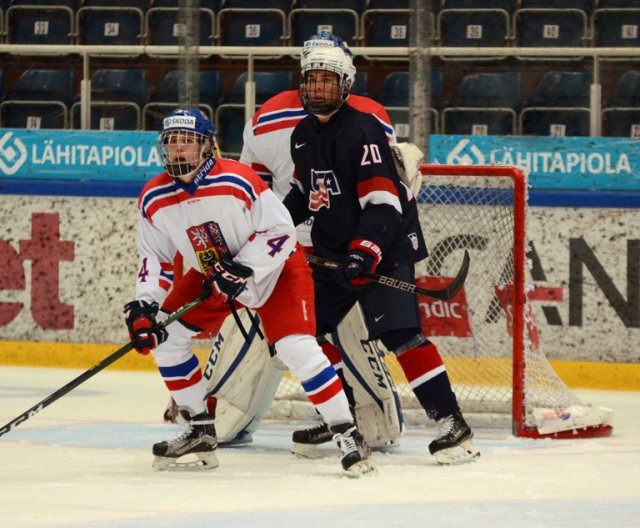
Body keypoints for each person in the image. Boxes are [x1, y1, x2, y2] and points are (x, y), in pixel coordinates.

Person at [123, 108, 374, 476]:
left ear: (207, 147)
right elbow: (156, 260)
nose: (179, 150)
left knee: (296, 348)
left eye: (188, 142)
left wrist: (244, 267)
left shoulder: (238, 180)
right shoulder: (154, 196)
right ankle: (199, 430)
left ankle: (347, 433)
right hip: (213, 275)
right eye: (172, 142)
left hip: (276, 271)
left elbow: (281, 230)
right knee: (165, 336)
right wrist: (146, 305)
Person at [281, 44, 481, 465]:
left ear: (346, 85)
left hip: (384, 249)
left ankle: (452, 422)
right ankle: (341, 417)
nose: (317, 87)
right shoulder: (301, 135)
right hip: (336, 253)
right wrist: (273, 229)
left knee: (400, 335)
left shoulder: (362, 130)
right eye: (311, 78)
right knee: (305, 334)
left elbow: (384, 203)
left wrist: (365, 251)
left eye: (327, 79)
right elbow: (304, 195)